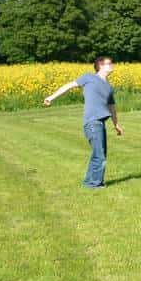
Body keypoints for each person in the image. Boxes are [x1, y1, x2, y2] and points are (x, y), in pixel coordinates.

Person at [44, 56, 123, 188]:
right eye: (109, 63)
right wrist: (51, 97)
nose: (112, 65)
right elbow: (69, 85)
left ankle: (90, 182)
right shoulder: (89, 77)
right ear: (100, 66)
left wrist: (116, 125)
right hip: (92, 122)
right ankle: (94, 184)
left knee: (100, 154)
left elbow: (112, 108)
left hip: (101, 123)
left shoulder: (108, 87)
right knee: (99, 155)